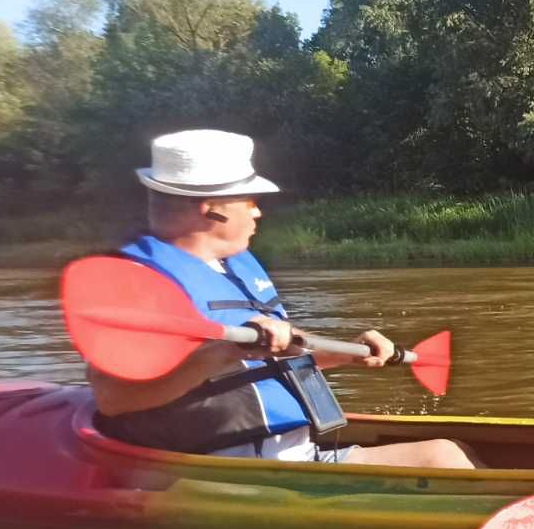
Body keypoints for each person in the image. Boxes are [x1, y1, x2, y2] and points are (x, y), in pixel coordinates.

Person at [83, 131, 475, 468]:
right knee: (445, 459)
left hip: (296, 455)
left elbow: (273, 359)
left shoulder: (232, 268)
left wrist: (348, 353)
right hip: (230, 472)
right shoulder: (135, 282)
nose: (258, 212)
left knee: (452, 451)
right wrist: (219, 354)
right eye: (250, 199)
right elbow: (114, 399)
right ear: (213, 209)